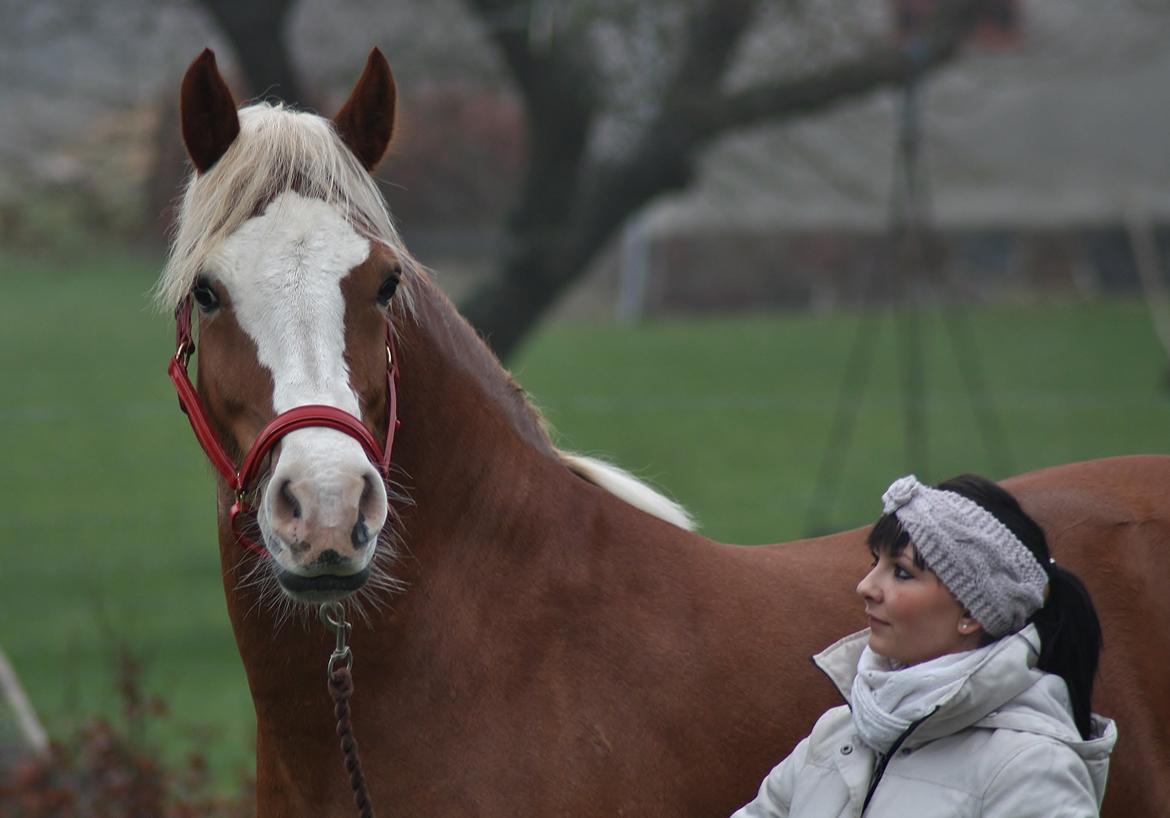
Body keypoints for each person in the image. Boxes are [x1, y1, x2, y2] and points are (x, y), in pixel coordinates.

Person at [733, 474, 1116, 818]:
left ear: (971, 611)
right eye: (874, 562)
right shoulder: (837, 733)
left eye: (901, 572)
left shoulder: (1032, 769)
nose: (865, 587)